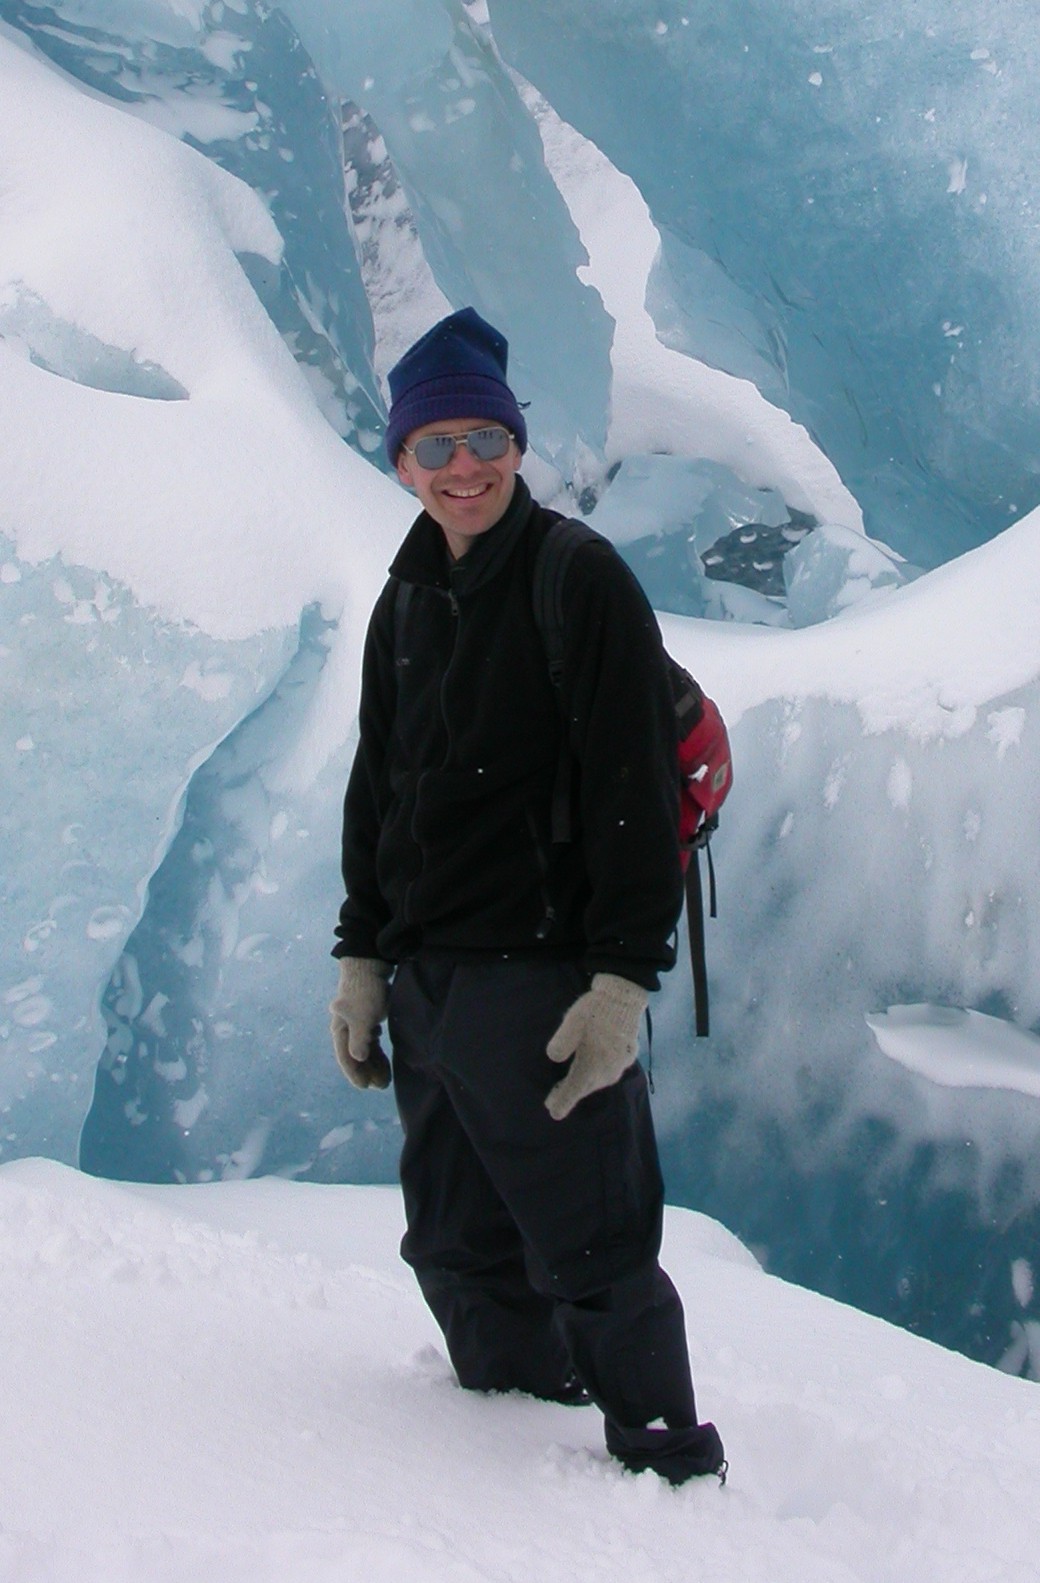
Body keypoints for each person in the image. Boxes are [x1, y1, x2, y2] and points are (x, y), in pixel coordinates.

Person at [330, 306, 725, 1486]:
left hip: (543, 975)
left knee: (592, 1243)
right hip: (431, 981)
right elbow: (379, 789)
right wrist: (362, 955)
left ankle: (666, 1471)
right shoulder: (405, 600)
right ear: (401, 461)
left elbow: (625, 790)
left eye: (482, 440)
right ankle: (506, 1430)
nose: (463, 468)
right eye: (435, 447)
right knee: (453, 1244)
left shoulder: (576, 577)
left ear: (516, 444)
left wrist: (619, 982)